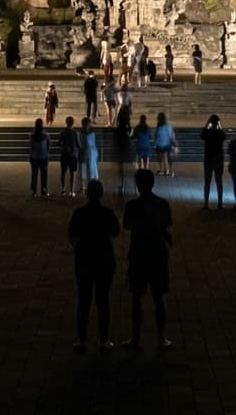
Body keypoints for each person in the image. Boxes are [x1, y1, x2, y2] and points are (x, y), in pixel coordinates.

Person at [123, 169, 174, 351]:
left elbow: (128, 226)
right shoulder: (162, 204)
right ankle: (161, 338)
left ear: (138, 185)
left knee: (137, 296)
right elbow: (165, 226)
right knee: (159, 296)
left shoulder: (132, 206)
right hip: (157, 252)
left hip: (138, 252)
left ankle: (136, 338)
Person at [68, 178, 121, 351]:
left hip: (84, 260)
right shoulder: (107, 213)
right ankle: (104, 339)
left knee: (84, 300)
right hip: (104, 259)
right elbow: (115, 232)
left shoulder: (79, 213)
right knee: (103, 300)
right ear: (101, 194)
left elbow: (72, 235)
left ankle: (81, 338)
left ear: (87, 193)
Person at [200, 115, 226, 209]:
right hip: (218, 160)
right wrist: (220, 125)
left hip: (208, 160)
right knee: (219, 181)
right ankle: (220, 203)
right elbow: (224, 136)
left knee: (207, 182)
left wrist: (207, 124)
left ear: (210, 122)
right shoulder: (220, 133)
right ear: (217, 123)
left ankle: (206, 203)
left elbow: (202, 135)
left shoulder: (207, 132)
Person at [59, 116, 82, 198]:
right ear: (73, 123)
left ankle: (63, 190)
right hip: (73, 155)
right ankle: (71, 191)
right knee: (72, 173)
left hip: (64, 154)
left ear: (66, 122)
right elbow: (78, 144)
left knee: (63, 172)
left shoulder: (63, 132)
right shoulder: (76, 133)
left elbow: (59, 143)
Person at [28, 119, 50, 197]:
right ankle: (43, 190)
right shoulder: (46, 135)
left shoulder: (32, 135)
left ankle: (34, 191)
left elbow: (31, 147)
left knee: (34, 175)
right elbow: (48, 145)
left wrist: (30, 156)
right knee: (44, 175)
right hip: (43, 157)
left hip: (34, 157)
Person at [82, 109, 102, 186]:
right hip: (90, 152)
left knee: (91, 169)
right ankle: (88, 184)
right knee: (90, 169)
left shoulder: (88, 133)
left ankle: (90, 184)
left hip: (90, 153)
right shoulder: (90, 133)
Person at [154, 112, 176, 177]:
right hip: (167, 145)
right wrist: (174, 144)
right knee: (166, 157)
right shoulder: (167, 126)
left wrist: (155, 144)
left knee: (161, 157)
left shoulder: (158, 126)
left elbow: (156, 135)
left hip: (160, 145)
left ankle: (162, 170)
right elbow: (171, 135)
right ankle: (168, 170)